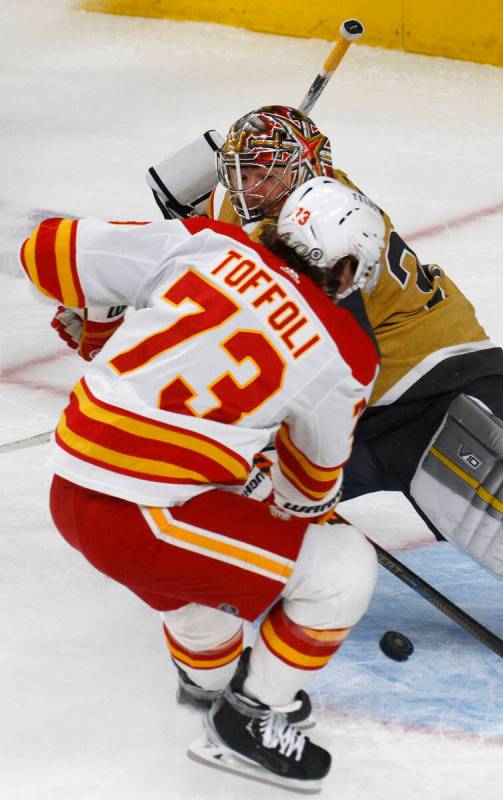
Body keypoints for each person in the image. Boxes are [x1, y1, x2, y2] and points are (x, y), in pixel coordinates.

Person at [68, 105, 503, 691]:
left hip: (437, 378)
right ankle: (244, 596)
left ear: (311, 175)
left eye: (269, 173)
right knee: (234, 490)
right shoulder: (240, 206)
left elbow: (323, 354)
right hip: (359, 413)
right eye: (243, 171)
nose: (253, 185)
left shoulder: (328, 235)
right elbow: (181, 197)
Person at [20, 178, 386, 792]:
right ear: (346, 268)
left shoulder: (208, 244)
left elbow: (50, 253)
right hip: (145, 516)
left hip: (73, 493)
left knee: (197, 570)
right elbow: (308, 489)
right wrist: (264, 478)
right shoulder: (344, 350)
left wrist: (101, 318)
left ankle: (208, 689)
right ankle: (248, 721)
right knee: (344, 569)